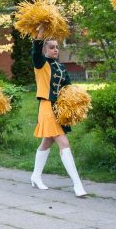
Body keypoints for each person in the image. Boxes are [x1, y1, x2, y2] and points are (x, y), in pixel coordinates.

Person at [29, 27, 87, 197]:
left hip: (59, 109)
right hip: (47, 107)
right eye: (52, 47)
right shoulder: (41, 64)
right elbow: (36, 50)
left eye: (57, 47)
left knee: (47, 143)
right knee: (64, 143)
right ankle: (77, 184)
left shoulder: (61, 67)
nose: (55, 49)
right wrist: (39, 33)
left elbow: (67, 89)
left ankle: (35, 176)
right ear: (44, 50)